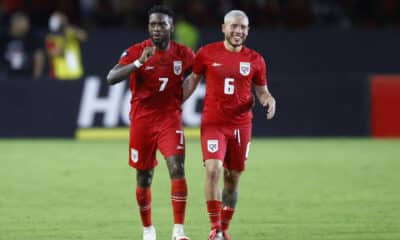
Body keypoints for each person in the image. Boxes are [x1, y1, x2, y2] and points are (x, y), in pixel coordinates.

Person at [183, 10, 276, 240]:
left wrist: (269, 100)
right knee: (213, 170)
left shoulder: (256, 60)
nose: (238, 31)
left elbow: (262, 92)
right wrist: (174, 103)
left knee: (232, 178)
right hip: (214, 123)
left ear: (247, 31)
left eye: (243, 27)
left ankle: (224, 227)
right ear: (223, 28)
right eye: (234, 26)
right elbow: (192, 81)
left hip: (241, 126)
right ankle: (215, 228)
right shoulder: (206, 53)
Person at [106, 5, 195, 240]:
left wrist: (183, 95)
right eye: (153, 25)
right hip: (142, 121)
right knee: (144, 177)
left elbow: (199, 72)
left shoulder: (183, 53)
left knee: (177, 168)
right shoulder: (137, 51)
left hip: (170, 119)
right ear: (148, 27)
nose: (157, 29)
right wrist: (137, 64)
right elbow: (111, 77)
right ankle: (148, 230)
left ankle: (179, 231)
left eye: (162, 24)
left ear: (171, 27)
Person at [0, 12, 44, 80]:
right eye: (23, 23)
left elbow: (39, 57)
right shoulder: (3, 38)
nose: (26, 25)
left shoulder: (32, 38)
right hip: (5, 76)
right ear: (14, 23)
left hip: (26, 77)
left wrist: (35, 79)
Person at [45, 11, 87, 80]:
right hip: (60, 75)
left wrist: (73, 30)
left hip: (76, 74)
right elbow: (57, 53)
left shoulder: (71, 34)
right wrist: (65, 38)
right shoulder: (51, 38)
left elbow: (84, 37)